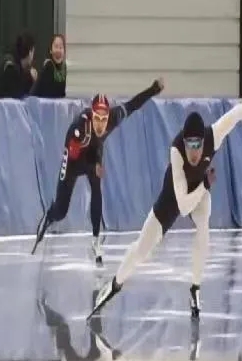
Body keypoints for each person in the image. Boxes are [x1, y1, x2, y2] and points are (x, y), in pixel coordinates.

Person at [87, 95, 242, 320]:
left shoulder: (214, 135)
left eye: (197, 145)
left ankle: (195, 289)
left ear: (204, 141)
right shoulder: (177, 151)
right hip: (174, 196)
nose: (194, 152)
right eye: (190, 145)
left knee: (203, 225)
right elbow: (183, 205)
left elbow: (237, 113)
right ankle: (114, 285)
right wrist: (205, 184)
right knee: (143, 248)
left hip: (199, 191)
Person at [31, 78, 165, 261]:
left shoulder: (114, 117)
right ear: (91, 115)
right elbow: (74, 159)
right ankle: (49, 216)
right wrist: (92, 166)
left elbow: (133, 105)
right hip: (73, 160)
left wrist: (153, 89)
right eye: (97, 119)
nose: (101, 124)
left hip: (94, 153)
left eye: (104, 119)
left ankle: (95, 240)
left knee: (96, 187)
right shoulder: (79, 128)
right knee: (61, 212)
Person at [30, 33, 67, 98]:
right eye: (56, 46)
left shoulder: (64, 68)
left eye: (61, 47)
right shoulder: (48, 66)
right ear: (50, 50)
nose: (58, 50)